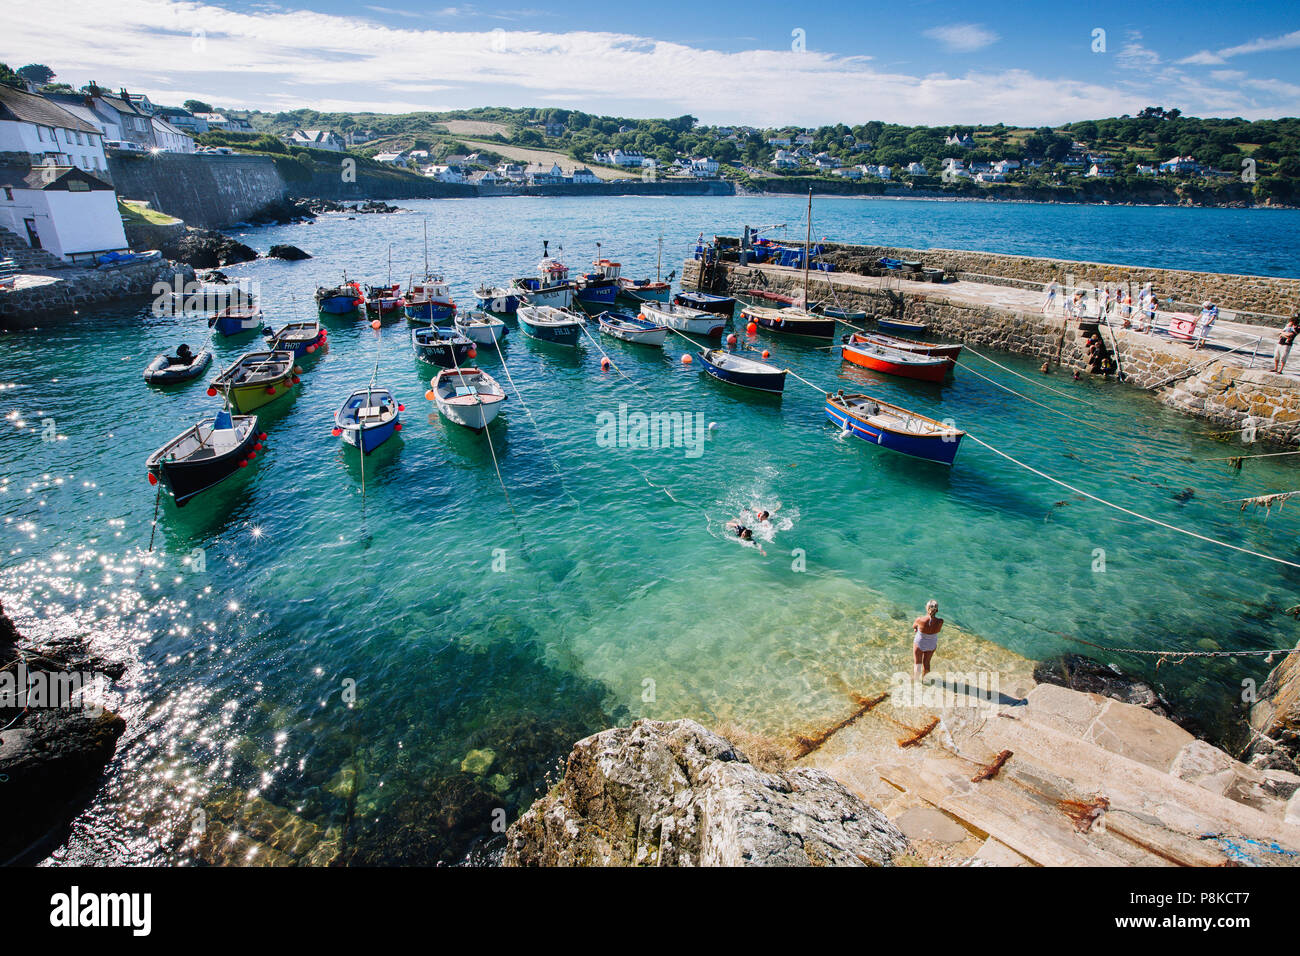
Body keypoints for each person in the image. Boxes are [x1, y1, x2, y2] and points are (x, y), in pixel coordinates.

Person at [912, 599, 943, 681]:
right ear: (937, 610)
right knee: (927, 663)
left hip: (920, 643)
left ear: (927, 608)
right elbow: (937, 630)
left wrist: (916, 629)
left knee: (918, 664)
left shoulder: (920, 619)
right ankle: (925, 681)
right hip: (931, 644)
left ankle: (916, 682)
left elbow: (914, 626)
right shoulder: (940, 621)